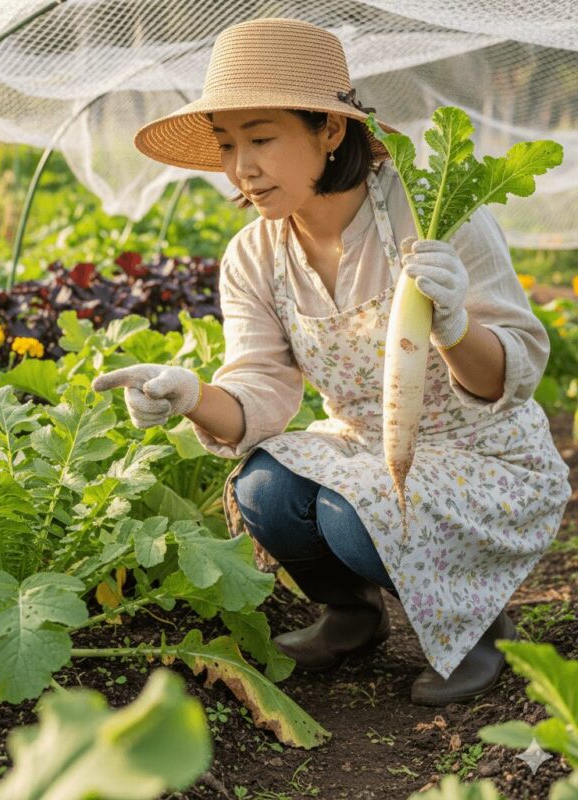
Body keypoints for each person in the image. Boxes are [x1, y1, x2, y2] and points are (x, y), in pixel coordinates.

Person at [92, 17, 571, 705]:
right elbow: (260, 391)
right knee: (265, 490)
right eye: (228, 146)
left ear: (330, 130)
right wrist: (191, 393)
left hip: (482, 455)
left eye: (261, 138)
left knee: (353, 516)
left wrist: (455, 324)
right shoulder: (254, 255)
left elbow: (509, 376)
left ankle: (478, 629)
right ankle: (353, 614)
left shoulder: (438, 219)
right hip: (367, 446)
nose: (241, 167)